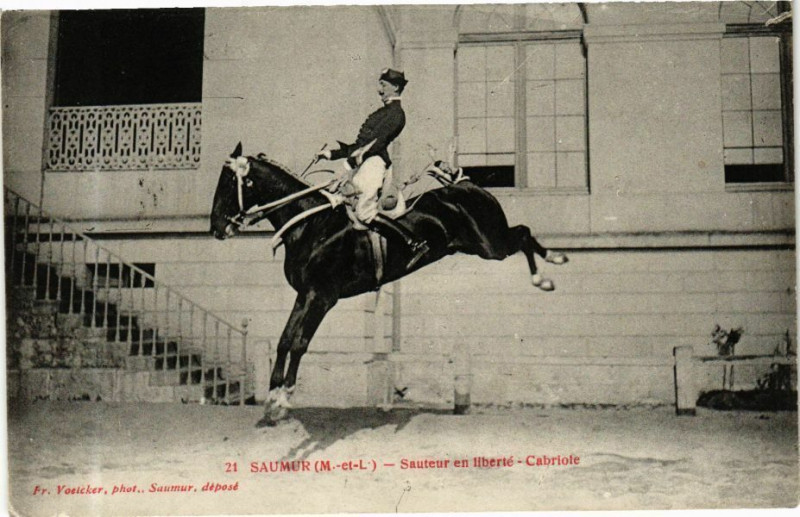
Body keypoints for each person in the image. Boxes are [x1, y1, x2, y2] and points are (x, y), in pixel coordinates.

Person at [316, 68, 429, 269]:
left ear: (395, 87)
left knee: (363, 213)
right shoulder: (383, 112)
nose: (379, 90)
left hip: (375, 163)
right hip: (366, 163)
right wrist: (330, 154)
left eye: (383, 85)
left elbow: (375, 144)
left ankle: (412, 243)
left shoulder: (396, 114)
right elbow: (359, 144)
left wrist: (348, 164)